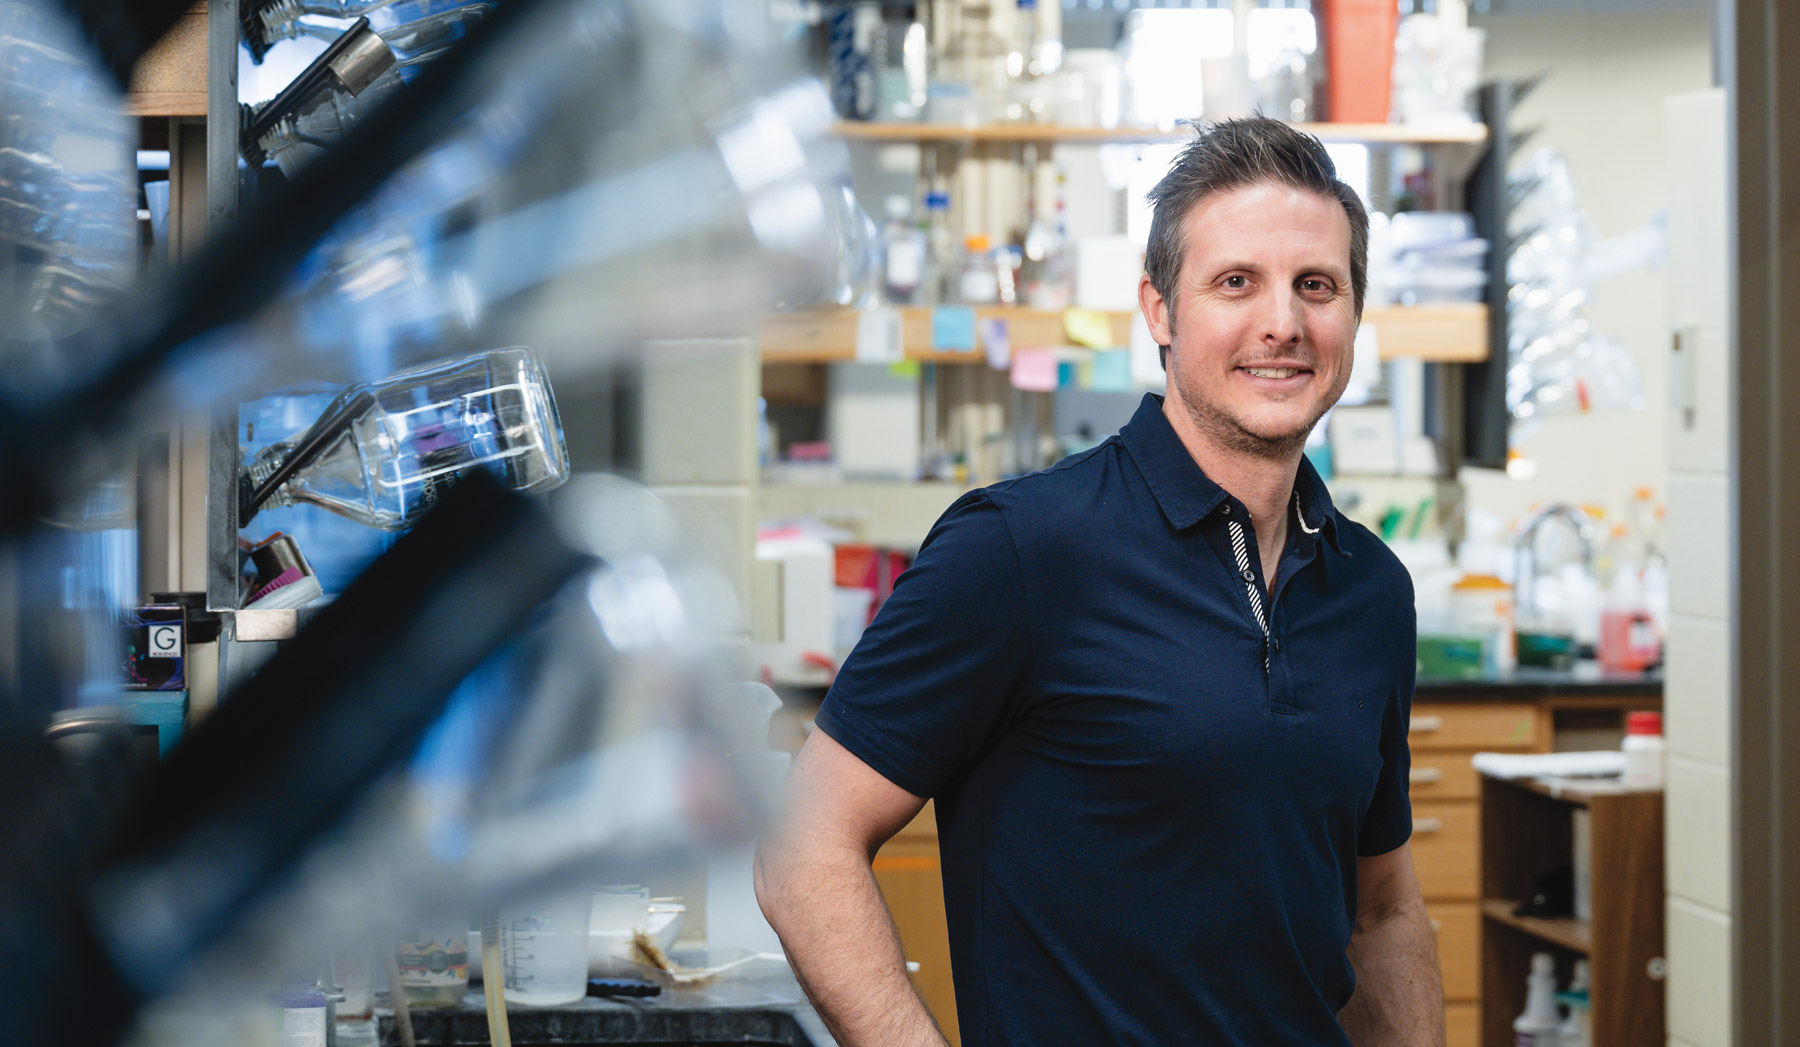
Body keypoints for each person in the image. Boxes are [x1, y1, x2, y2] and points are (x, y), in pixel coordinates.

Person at [754, 116, 1442, 1047]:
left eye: (1316, 285)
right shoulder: (1020, 551)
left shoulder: (1372, 591)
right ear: (1160, 311)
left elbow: (1385, 907)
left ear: (1354, 314)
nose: (1283, 321)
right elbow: (804, 844)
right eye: (1235, 281)